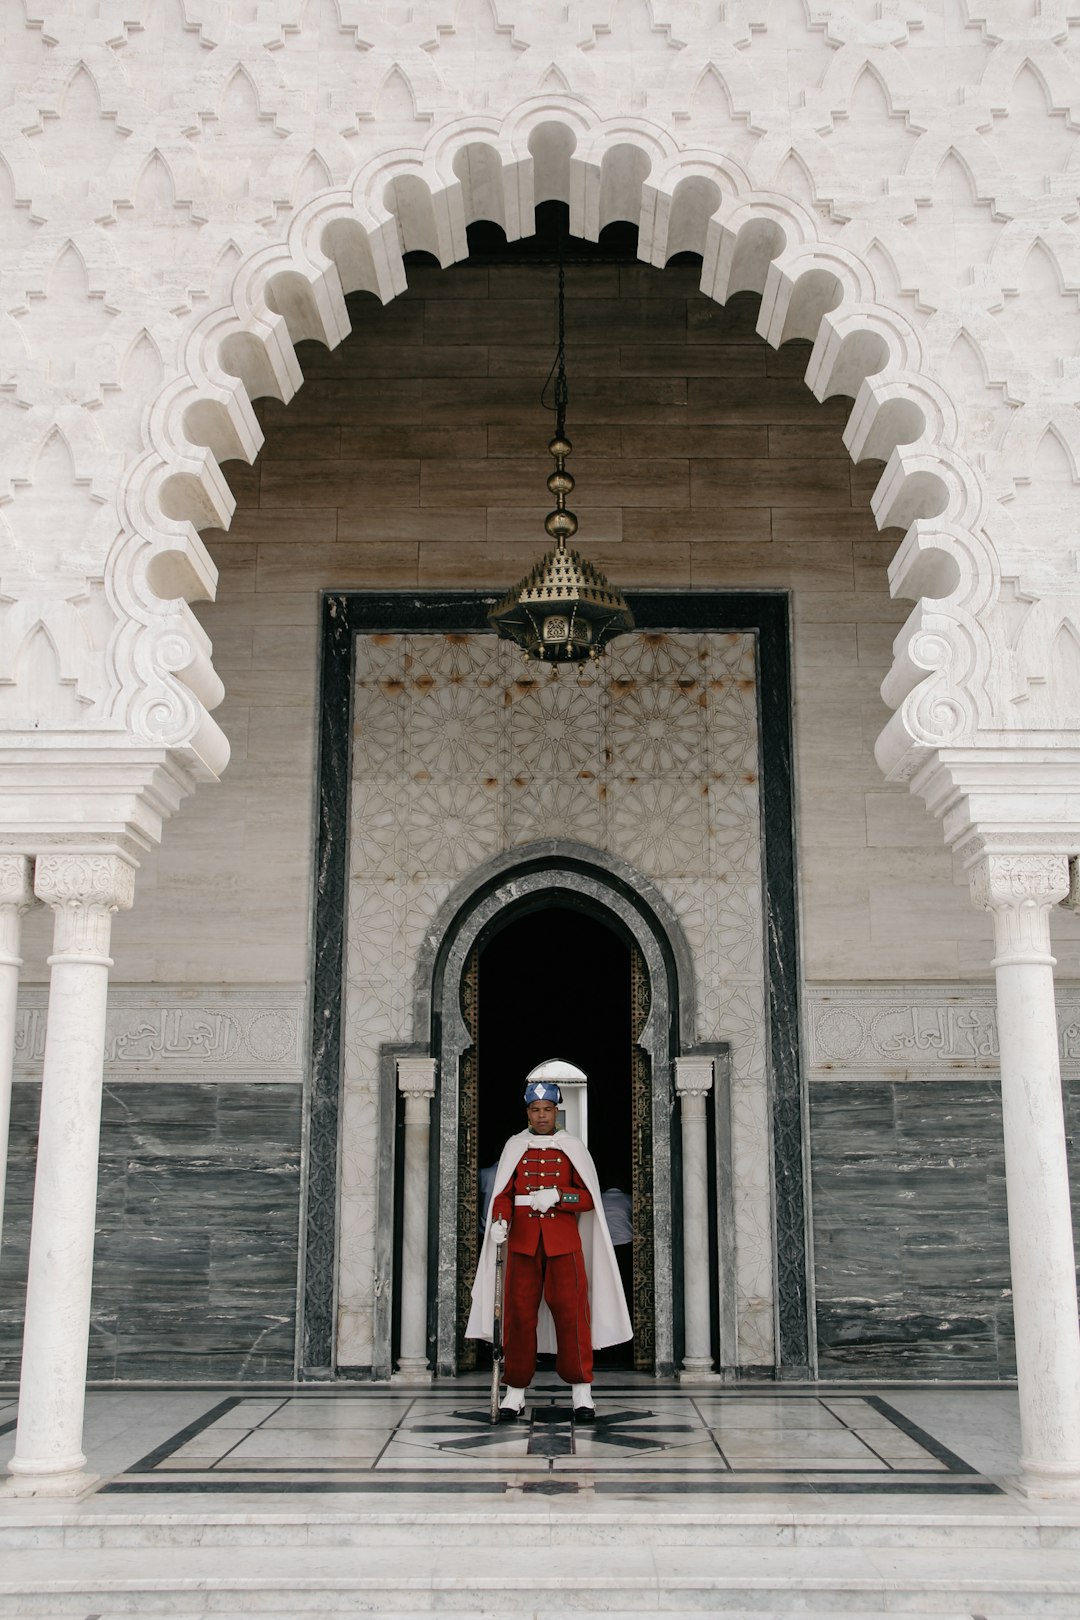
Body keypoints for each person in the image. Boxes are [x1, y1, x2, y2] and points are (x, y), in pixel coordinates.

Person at [466, 1073, 632, 1422]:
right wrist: (499, 1221)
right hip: (523, 1245)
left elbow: (587, 1198)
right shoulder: (515, 1147)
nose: (541, 1115)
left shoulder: (572, 1147)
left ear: (557, 1110)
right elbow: (504, 1195)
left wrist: (559, 1196)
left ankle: (581, 1392)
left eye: (547, 1109)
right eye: (534, 1109)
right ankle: (515, 1392)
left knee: (572, 1317)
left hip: (563, 1245)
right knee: (519, 1318)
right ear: (527, 1113)